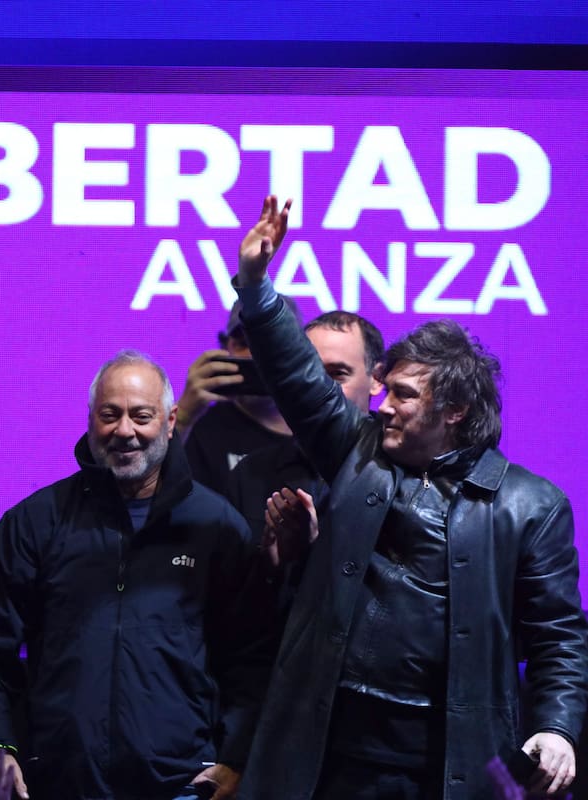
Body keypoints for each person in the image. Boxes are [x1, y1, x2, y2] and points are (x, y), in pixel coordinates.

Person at [232, 196, 588, 800]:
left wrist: (557, 728)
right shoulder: (356, 451)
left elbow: (559, 635)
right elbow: (296, 375)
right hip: (329, 751)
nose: (384, 405)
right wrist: (255, 285)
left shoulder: (531, 506)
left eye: (403, 395)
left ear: (455, 411)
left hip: (445, 762)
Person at [0, 350, 273, 800]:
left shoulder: (218, 526)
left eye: (141, 416)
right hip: (61, 784)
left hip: (184, 786)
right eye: (110, 415)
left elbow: (249, 659)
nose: (125, 430)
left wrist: (236, 757)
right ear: (90, 421)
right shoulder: (34, 522)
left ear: (170, 421)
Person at [227, 310, 384, 569]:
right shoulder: (249, 475)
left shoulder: (404, 473)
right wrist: (272, 565)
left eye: (337, 374)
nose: (317, 389)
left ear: (376, 378)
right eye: (308, 374)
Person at [177, 297, 301, 494]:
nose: (256, 354)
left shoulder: (319, 427)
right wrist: (183, 416)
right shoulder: (199, 428)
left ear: (300, 351)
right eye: (244, 343)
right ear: (225, 348)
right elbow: (156, 491)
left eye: (272, 342)